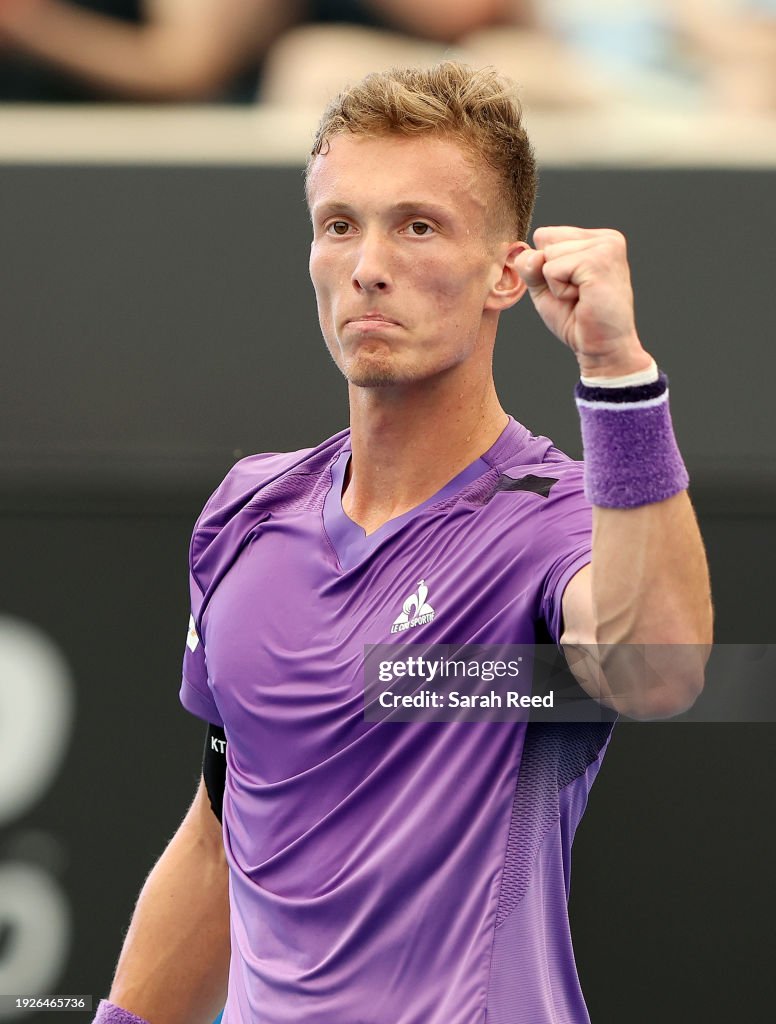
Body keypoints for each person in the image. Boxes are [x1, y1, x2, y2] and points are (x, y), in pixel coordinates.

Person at [92, 62, 712, 1024]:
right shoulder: (247, 510)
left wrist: (616, 370)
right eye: (340, 224)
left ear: (507, 273)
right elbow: (220, 837)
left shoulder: (555, 519)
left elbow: (658, 675)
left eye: (418, 226)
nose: (368, 264)